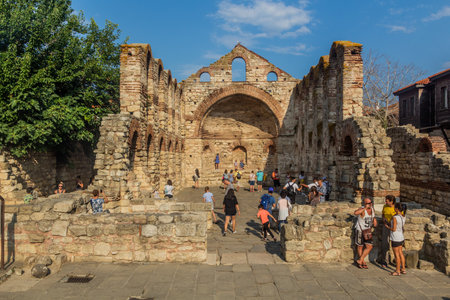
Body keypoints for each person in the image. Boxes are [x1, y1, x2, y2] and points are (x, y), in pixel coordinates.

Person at [354, 198, 378, 269]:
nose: (370, 204)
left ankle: (360, 260)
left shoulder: (372, 209)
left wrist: (375, 222)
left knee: (369, 246)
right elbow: (355, 213)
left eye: (370, 203)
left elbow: (373, 218)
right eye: (368, 203)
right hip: (360, 230)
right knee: (360, 246)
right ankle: (362, 261)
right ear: (364, 204)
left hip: (367, 231)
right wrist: (365, 208)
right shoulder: (362, 209)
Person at [386, 202, 407, 276]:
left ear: (397, 209)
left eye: (395, 207)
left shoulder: (395, 217)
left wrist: (388, 227)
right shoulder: (403, 216)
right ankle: (403, 269)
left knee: (396, 255)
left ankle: (397, 270)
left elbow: (394, 229)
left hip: (395, 237)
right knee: (401, 253)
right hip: (401, 236)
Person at [379, 195, 396, 268]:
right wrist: (383, 219)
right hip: (386, 226)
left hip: (394, 227)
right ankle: (385, 260)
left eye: (387, 201)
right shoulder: (385, 206)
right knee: (385, 243)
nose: (385, 202)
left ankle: (396, 260)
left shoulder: (396, 208)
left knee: (395, 244)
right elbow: (383, 214)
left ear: (391, 201)